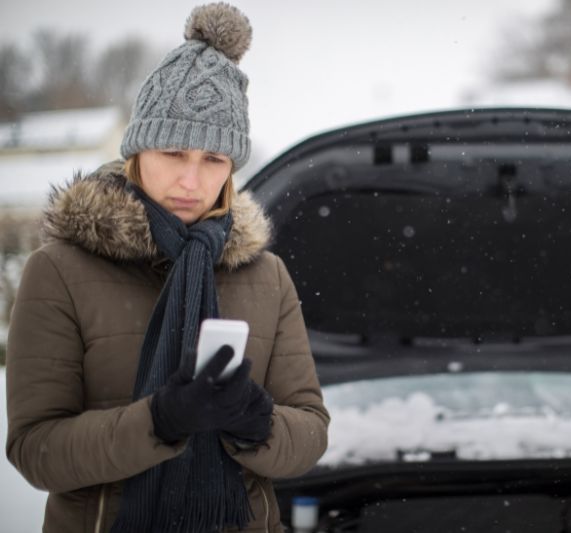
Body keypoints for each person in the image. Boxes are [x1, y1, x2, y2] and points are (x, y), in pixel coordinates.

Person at [4, 3, 329, 532]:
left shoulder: (265, 275)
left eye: (213, 160)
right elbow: (36, 450)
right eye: (174, 153)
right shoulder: (59, 270)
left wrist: (257, 423)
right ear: (137, 151)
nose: (191, 181)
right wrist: (159, 421)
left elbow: (310, 433)